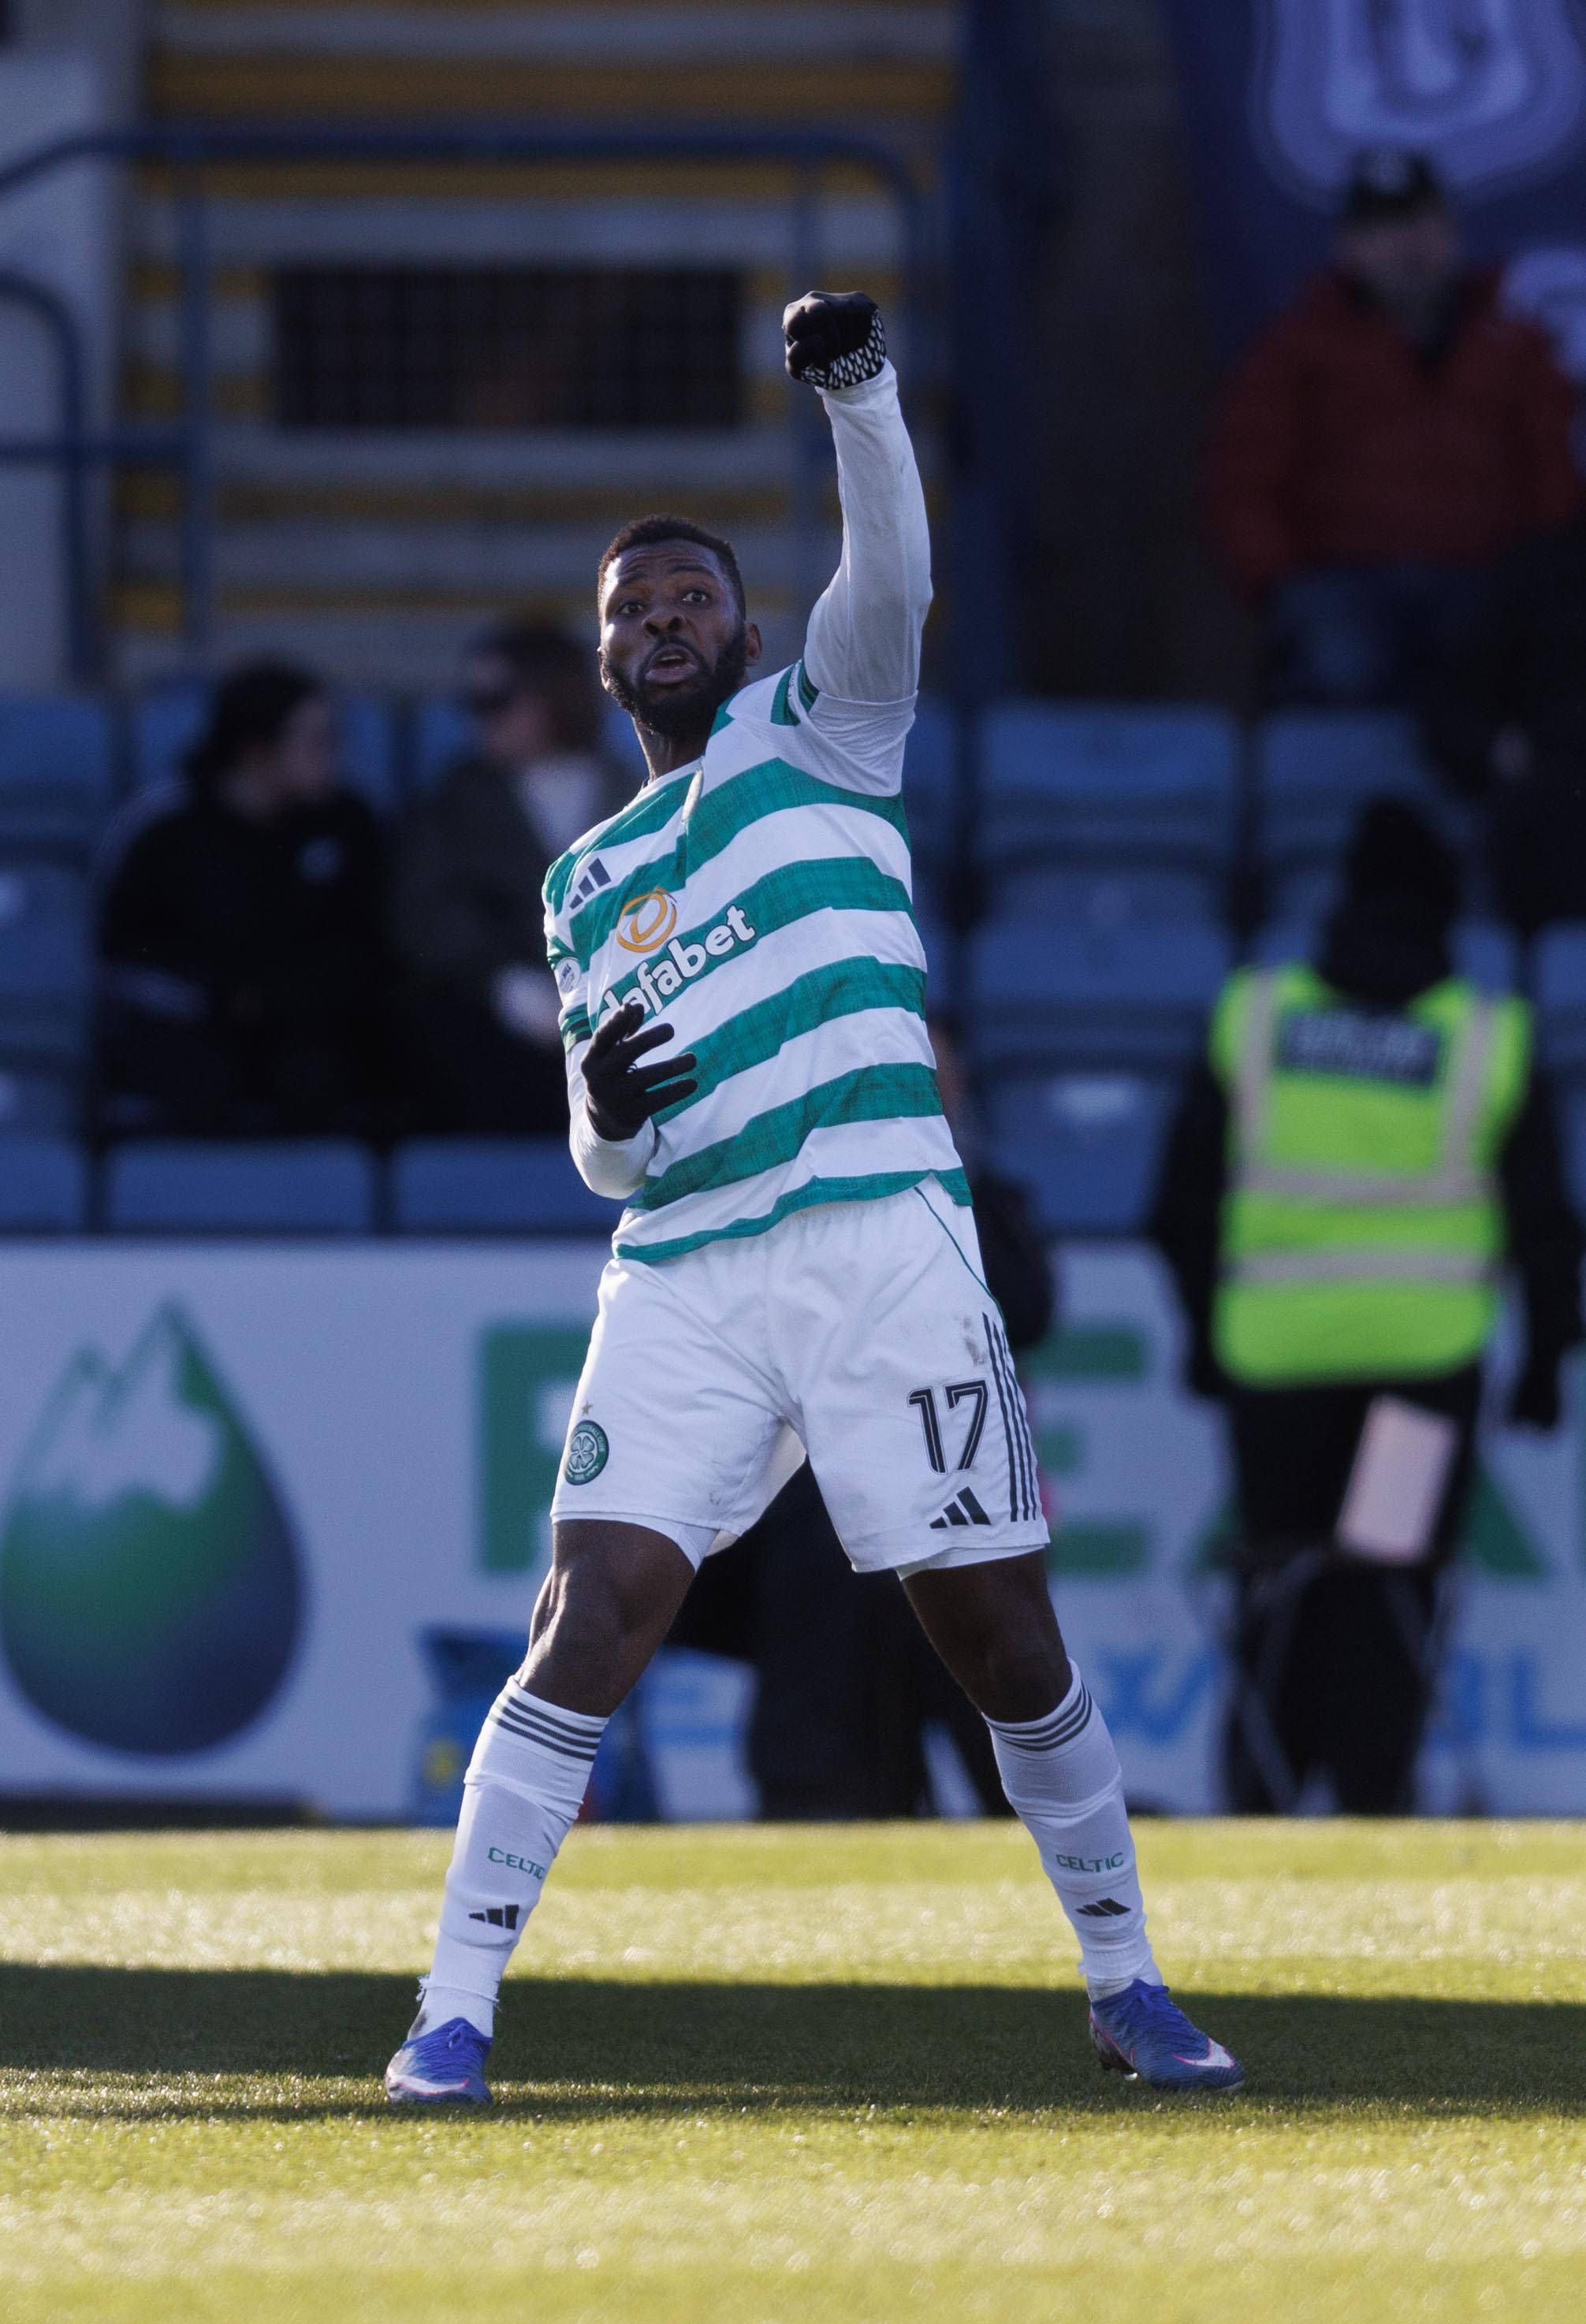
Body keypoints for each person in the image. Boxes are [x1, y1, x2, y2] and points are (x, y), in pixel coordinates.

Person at [385, 289, 1243, 2106]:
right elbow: (602, 1155)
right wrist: (601, 1115)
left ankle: (1123, 1979)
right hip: (684, 1268)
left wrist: (859, 398)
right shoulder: (581, 879)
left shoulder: (828, 728)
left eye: (691, 593)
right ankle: (450, 2012)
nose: (664, 616)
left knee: (1003, 1638)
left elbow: (900, 569)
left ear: (750, 629)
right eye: (633, 608)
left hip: (879, 1248)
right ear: (604, 665)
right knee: (587, 1619)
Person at [1152, 800, 1582, 1814]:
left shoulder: (1256, 1014)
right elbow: (1543, 1224)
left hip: (1275, 1368)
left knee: (1283, 1586)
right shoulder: (1485, 1035)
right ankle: (1372, 1799)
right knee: (1384, 1584)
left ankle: (1259, 1792)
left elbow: (1177, 1202)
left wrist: (1204, 1335)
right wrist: (1545, 1358)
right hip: (1419, 1373)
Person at [739, 1018, 1058, 1820]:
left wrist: (948, 1176)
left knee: (1005, 1730)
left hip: (958, 1502)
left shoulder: (983, 1198)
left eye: (937, 1078)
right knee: (826, 1767)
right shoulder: (793, 1193)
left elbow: (1028, 1306)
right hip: (822, 1522)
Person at [1204, 149, 1578, 705]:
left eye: (1421, 222)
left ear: (1451, 233)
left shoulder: (1516, 347)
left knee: (1512, 664)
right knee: (1341, 660)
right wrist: (1278, 583)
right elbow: (1240, 483)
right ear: (1347, 248)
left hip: (1481, 582)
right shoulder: (1294, 351)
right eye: (1382, 227)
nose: (1407, 245)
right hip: (1344, 585)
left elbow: (1555, 486)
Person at [96, 660, 397, 1139]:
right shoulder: (164, 828)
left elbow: (372, 945)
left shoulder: (350, 821)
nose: (332, 757)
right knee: (191, 1081)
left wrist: (283, 998)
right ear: (256, 751)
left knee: (326, 1075)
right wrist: (223, 997)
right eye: (316, 743)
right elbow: (126, 952)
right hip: (192, 1028)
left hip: (310, 1029)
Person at [392, 623, 632, 1132]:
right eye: (473, 701)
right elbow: (424, 909)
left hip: (616, 1019)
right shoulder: (457, 797)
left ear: (553, 697)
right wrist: (500, 983)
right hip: (493, 1031)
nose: (479, 718)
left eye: (496, 700)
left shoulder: (632, 791)